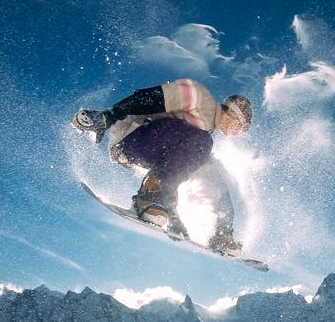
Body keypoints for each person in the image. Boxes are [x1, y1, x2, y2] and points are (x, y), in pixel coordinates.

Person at [72, 78, 252, 255]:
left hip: (158, 150)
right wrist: (108, 116)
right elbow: (149, 97)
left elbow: (180, 172)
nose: (239, 133)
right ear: (235, 117)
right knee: (202, 143)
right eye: (242, 128)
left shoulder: (205, 131)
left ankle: (221, 234)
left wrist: (173, 215)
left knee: (212, 176)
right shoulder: (199, 96)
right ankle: (149, 196)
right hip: (130, 140)